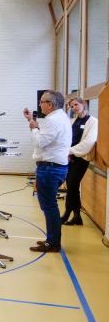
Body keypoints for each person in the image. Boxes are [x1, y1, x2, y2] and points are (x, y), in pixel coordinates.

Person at [24, 91, 72, 252]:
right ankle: (52, 239)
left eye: (42, 102)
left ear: (50, 104)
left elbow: (40, 142)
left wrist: (33, 128)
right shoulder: (59, 118)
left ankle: (53, 242)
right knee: (50, 206)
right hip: (54, 167)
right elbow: (46, 135)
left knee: (49, 206)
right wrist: (33, 121)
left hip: (50, 168)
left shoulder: (53, 120)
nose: (39, 104)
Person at [62, 97, 98, 226]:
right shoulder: (73, 121)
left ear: (83, 104)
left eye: (76, 104)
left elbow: (88, 143)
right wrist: (68, 153)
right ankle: (76, 216)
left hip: (81, 158)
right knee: (71, 186)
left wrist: (69, 151)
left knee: (72, 185)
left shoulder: (93, 121)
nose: (74, 108)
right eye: (71, 106)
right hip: (71, 158)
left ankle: (68, 213)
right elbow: (68, 139)